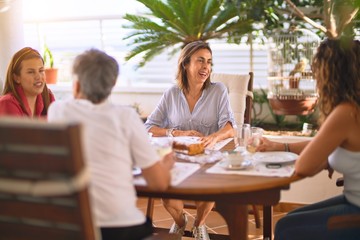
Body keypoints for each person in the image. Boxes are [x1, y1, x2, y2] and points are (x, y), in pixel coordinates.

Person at [47, 49, 174, 240]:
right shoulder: (126, 117)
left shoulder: (57, 111)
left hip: (71, 226)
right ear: (112, 84)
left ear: (76, 84)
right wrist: (166, 163)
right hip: (118, 229)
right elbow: (159, 183)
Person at [257, 38, 360, 240]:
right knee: (292, 218)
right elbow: (324, 144)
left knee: (286, 228)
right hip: (352, 199)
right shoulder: (354, 108)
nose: (315, 79)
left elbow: (304, 166)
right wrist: (279, 145)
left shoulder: (347, 112)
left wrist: (326, 159)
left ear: (332, 75)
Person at [144, 40, 236, 240]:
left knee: (210, 185)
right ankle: (180, 222)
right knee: (165, 188)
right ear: (185, 64)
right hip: (178, 157)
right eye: (200, 61)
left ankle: (199, 224)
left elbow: (230, 127)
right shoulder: (171, 93)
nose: (206, 67)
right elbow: (149, 127)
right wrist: (175, 133)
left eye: (209, 62)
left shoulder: (218, 90)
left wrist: (214, 137)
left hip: (208, 157)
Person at [0, 47, 55, 117]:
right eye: (31, 72)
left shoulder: (48, 97)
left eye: (41, 71)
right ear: (16, 78)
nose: (38, 77)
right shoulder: (7, 103)